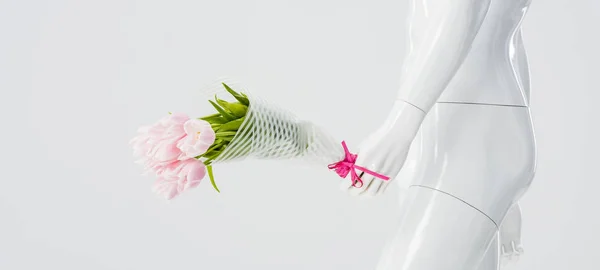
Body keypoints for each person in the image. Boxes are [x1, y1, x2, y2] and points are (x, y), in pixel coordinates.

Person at [340, 0, 536, 269]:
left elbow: (462, 8)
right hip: (469, 138)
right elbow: (510, 32)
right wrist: (499, 195)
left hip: (466, 139)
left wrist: (399, 127)